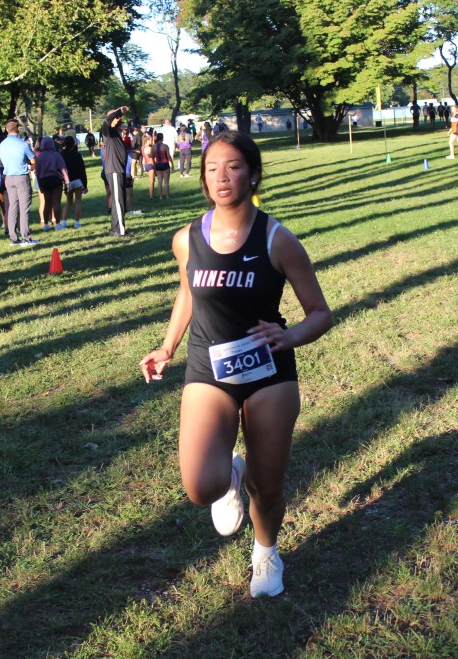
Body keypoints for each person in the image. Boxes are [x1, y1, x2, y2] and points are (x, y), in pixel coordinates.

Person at [139, 131, 333, 598]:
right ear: (203, 179)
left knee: (267, 485)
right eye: (212, 169)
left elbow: (321, 313)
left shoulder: (278, 240)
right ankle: (229, 478)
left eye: (233, 167)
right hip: (209, 369)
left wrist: (290, 336)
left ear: (253, 174)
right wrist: (167, 347)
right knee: (199, 487)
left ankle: (266, 554)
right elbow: (188, 291)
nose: (221, 177)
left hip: (268, 371)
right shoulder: (186, 239)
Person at [0, 119, 39, 246]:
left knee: (12, 207)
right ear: (17, 129)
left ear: (6, 129)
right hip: (21, 177)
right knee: (24, 207)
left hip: (8, 177)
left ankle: (13, 237)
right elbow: (33, 160)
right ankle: (26, 237)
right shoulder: (23, 144)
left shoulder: (2, 145)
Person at [101, 106, 131, 238]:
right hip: (114, 170)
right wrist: (119, 111)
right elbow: (107, 121)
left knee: (118, 200)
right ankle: (120, 231)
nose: (118, 120)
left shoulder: (115, 133)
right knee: (119, 201)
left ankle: (115, 229)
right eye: (116, 118)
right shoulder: (107, 130)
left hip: (118, 170)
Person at [35, 136, 70, 229]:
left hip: (44, 180)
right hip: (55, 179)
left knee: (47, 203)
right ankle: (57, 224)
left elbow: (37, 172)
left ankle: (46, 224)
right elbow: (63, 169)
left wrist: (40, 183)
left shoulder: (40, 157)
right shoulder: (56, 155)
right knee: (56, 202)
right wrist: (67, 182)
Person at [60, 136, 88, 228]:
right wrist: (85, 184)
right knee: (78, 201)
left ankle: (64, 222)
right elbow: (82, 170)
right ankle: (76, 222)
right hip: (77, 180)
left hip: (67, 181)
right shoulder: (77, 154)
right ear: (73, 144)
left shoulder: (61, 155)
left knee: (68, 202)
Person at [153, 132, 172, 199]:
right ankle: (167, 196)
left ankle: (160, 196)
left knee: (159, 181)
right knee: (166, 182)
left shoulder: (154, 146)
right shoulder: (165, 146)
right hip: (165, 163)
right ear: (162, 138)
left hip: (158, 164)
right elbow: (168, 156)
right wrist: (172, 163)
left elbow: (151, 155)